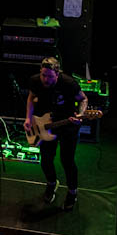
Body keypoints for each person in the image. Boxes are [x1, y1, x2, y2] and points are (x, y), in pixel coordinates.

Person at [23, 56, 88, 210]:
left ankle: (72, 192)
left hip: (67, 125)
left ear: (57, 74)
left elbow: (83, 99)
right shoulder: (35, 81)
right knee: (45, 159)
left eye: (50, 77)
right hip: (45, 124)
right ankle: (51, 183)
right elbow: (31, 98)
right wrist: (28, 118)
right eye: (43, 75)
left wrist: (80, 115)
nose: (46, 79)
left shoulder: (69, 83)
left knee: (67, 161)